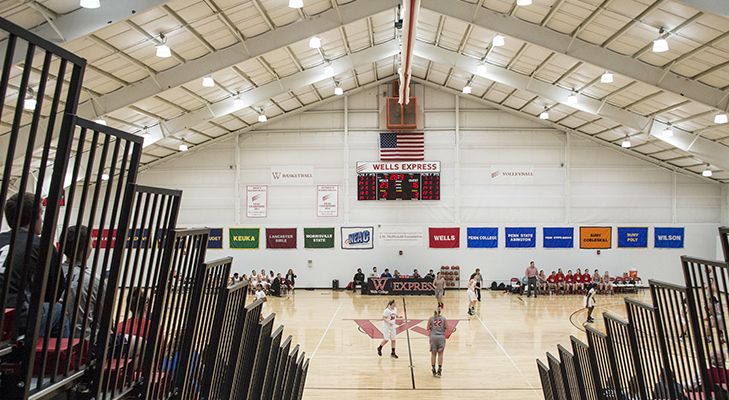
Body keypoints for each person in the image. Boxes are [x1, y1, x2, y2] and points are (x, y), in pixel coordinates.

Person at [0, 192, 65, 336]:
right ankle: (46, 356)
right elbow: (53, 292)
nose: (42, 220)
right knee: (59, 310)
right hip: (14, 320)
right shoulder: (41, 245)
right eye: (41, 214)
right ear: (33, 219)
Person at [61, 225, 101, 340]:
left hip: (57, 340)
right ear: (85, 249)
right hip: (87, 343)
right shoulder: (95, 280)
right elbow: (104, 319)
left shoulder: (50, 275)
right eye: (90, 244)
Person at [427, 308, 447, 378]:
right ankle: (439, 369)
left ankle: (433, 369)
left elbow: (427, 328)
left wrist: (433, 328)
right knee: (440, 354)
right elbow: (447, 327)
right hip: (441, 337)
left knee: (433, 354)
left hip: (433, 337)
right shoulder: (443, 319)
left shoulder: (431, 318)